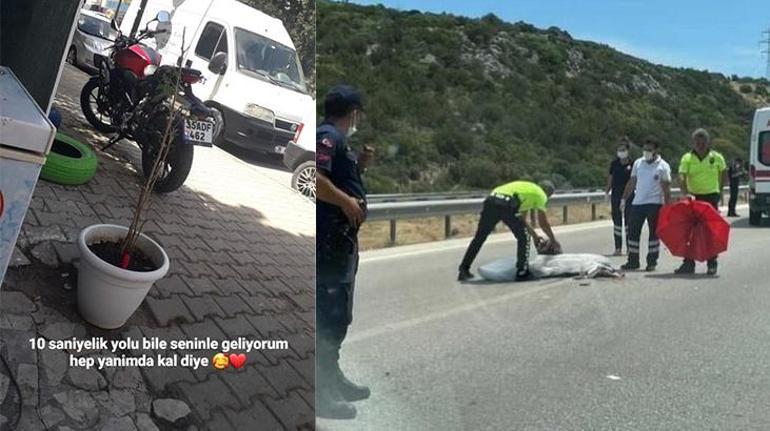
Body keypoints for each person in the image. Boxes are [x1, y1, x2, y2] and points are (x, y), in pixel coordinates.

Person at [315, 84, 375, 419]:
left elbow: (337, 179)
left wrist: (360, 166)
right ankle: (321, 393)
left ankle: (332, 378)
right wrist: (348, 202)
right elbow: (316, 178)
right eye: (358, 114)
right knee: (330, 315)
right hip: (330, 244)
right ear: (352, 113)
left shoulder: (341, 143)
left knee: (339, 314)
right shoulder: (327, 137)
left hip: (341, 243)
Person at [458, 180, 561, 282]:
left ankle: (464, 270)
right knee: (524, 237)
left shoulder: (528, 190)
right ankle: (522, 272)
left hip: (491, 200)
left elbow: (522, 220)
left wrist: (534, 236)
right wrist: (553, 240)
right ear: (548, 193)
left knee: (479, 237)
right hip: (507, 203)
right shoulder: (541, 194)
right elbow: (543, 223)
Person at [676, 128, 727, 275]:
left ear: (707, 141)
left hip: (711, 197)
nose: (700, 144)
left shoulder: (717, 157)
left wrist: (720, 190)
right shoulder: (687, 158)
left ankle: (712, 263)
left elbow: (723, 172)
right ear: (693, 142)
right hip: (693, 198)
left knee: (710, 232)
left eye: (702, 141)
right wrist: (686, 193)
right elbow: (681, 176)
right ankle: (688, 263)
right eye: (697, 142)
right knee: (689, 232)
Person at [620, 138, 672, 272]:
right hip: (638, 203)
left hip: (655, 204)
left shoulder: (663, 166)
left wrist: (667, 208)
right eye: (645, 149)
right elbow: (632, 182)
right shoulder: (638, 163)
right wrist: (624, 199)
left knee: (654, 234)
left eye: (649, 150)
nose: (646, 152)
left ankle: (652, 261)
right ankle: (633, 260)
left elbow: (666, 190)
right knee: (632, 231)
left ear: (656, 151)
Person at [605, 137, 634, 255]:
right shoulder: (614, 164)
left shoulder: (633, 164)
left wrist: (625, 197)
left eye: (623, 149)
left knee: (629, 222)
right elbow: (610, 178)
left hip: (629, 195)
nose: (621, 152)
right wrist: (607, 192)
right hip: (616, 194)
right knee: (617, 222)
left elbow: (632, 181)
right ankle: (618, 248)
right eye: (619, 149)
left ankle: (629, 247)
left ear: (627, 150)